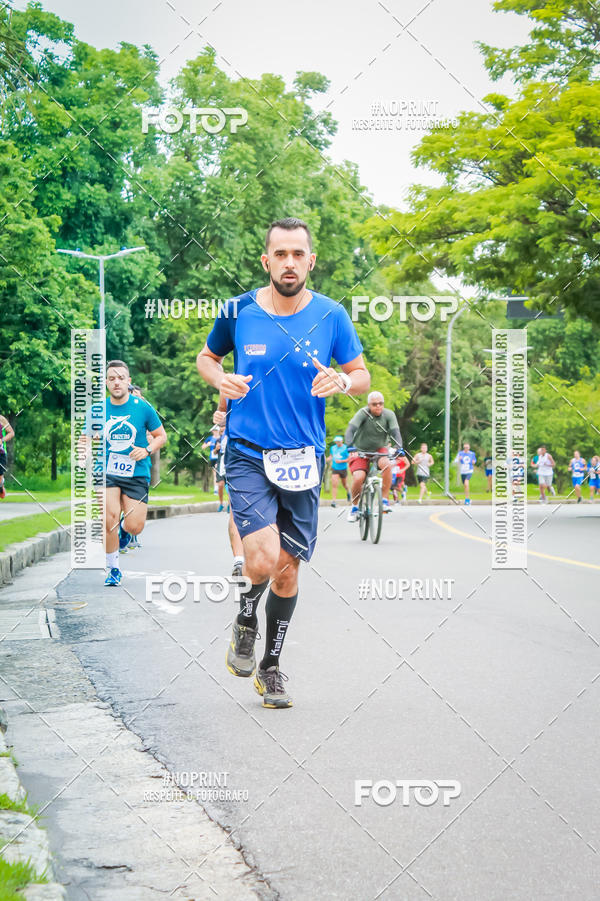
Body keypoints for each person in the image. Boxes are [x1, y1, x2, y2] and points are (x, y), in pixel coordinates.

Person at [196, 217, 369, 708]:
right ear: (266, 260)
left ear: (310, 261)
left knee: (288, 572)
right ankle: (246, 617)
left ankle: (269, 667)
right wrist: (220, 379)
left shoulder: (332, 315)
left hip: (304, 457)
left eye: (298, 254)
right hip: (248, 451)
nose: (289, 263)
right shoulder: (239, 310)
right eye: (280, 254)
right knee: (261, 558)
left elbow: (360, 374)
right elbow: (207, 357)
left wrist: (342, 381)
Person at [81, 360, 167, 586]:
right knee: (108, 518)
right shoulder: (97, 410)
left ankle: (125, 530)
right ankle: (113, 569)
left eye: (121, 378)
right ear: (106, 383)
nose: (116, 382)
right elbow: (85, 438)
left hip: (136, 472)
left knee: (135, 525)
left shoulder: (143, 407)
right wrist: (83, 453)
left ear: (128, 381)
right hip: (106, 471)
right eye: (112, 378)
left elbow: (161, 436)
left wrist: (146, 450)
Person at [345, 391, 402, 521]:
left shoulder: (389, 415)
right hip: (360, 450)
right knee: (359, 477)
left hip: (379, 449)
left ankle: (385, 501)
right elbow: (350, 430)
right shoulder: (363, 413)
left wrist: (398, 447)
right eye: (374, 404)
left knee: (387, 464)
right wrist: (350, 447)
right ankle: (354, 508)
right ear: (369, 405)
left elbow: (396, 433)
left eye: (381, 403)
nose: (378, 406)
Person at [213, 406, 244, 576]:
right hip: (229, 466)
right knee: (234, 506)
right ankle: (239, 560)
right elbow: (222, 408)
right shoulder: (224, 436)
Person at [326, 435, 350, 506]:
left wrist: (341, 461)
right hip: (335, 468)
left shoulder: (346, 448)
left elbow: (349, 459)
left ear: (342, 441)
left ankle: (348, 491)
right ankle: (333, 501)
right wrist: (326, 460)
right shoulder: (333, 448)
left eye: (339, 441)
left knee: (344, 484)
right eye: (336, 441)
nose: (337, 443)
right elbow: (331, 456)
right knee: (334, 484)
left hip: (343, 468)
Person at [202, 425, 223, 505]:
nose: (215, 432)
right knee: (214, 474)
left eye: (216, 430)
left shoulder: (221, 438)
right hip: (212, 458)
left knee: (218, 473)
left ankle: (218, 489)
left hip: (220, 457)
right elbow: (203, 447)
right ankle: (216, 489)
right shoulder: (210, 438)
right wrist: (208, 444)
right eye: (214, 430)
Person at [0, 415, 15, 500]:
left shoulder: (1, 419)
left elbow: (11, 433)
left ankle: (1, 486)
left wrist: (2, 440)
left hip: (1, 453)